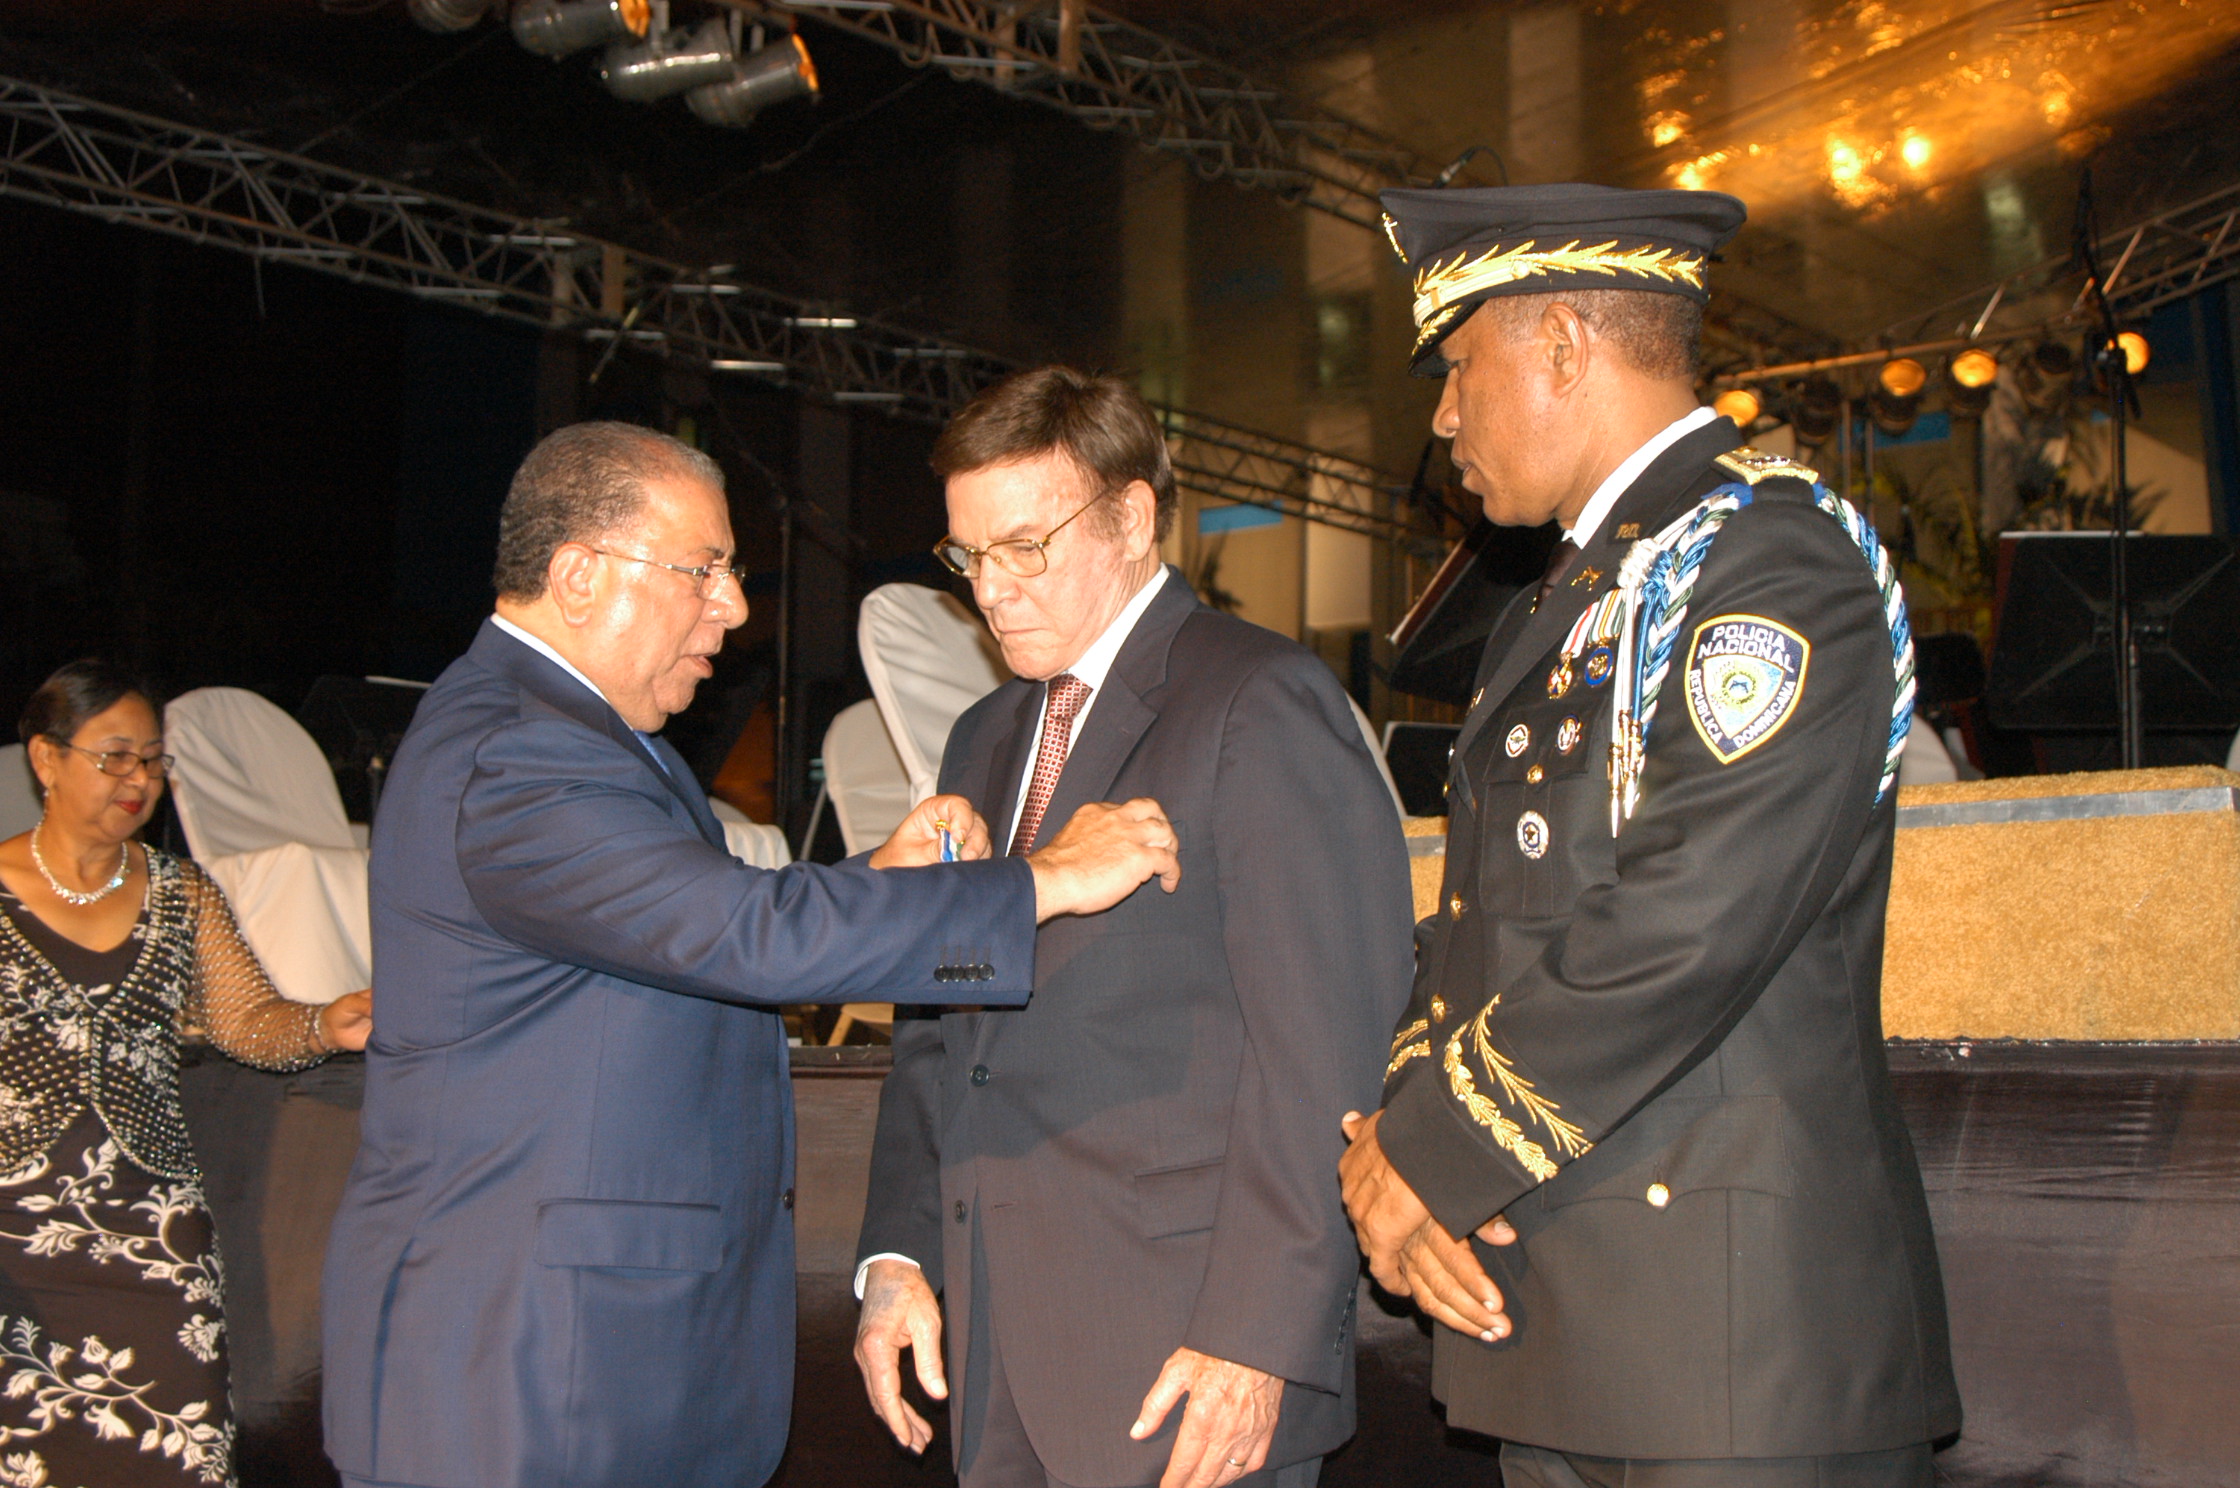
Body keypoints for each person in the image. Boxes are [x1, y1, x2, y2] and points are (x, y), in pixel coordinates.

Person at [320, 421, 1178, 1488]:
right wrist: (1042, 881)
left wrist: (882, 877)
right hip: (526, 1367)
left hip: (587, 1356)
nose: (732, 606)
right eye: (705, 570)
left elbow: (689, 930)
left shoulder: (578, 736)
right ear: (580, 576)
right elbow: (742, 933)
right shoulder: (517, 751)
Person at [1337, 184, 1961, 1488]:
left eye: (1458, 365)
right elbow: (1481, 926)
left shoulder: (1770, 559)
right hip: (1557, 1317)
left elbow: (1692, 916)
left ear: (1563, 346)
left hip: (1730, 1353)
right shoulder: (1555, 602)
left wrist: (1433, 1154)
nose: (1443, 415)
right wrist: (1403, 1132)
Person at [853, 368, 1414, 1488]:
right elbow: (941, 1036)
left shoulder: (1258, 700)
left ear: (1132, 516)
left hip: (1186, 1357)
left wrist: (1257, 1340)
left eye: (1026, 547)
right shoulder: (982, 736)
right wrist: (900, 1253)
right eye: (968, 556)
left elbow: (1327, 1053)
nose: (991, 590)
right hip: (996, 1353)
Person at [0, 660, 372, 1488]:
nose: (140, 780)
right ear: (46, 758)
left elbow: (247, 1024)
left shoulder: (178, 891)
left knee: (181, 1455)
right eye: (115, 757)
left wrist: (325, 1023)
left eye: (154, 760)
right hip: (18, 1235)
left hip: (155, 1237)